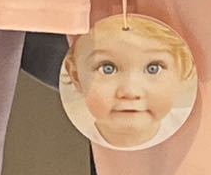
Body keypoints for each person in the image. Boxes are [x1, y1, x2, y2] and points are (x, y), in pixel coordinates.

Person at [61, 14, 197, 150]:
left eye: (153, 68)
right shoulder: (71, 145)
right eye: (107, 68)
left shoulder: (197, 132)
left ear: (184, 70)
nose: (131, 92)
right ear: (75, 75)